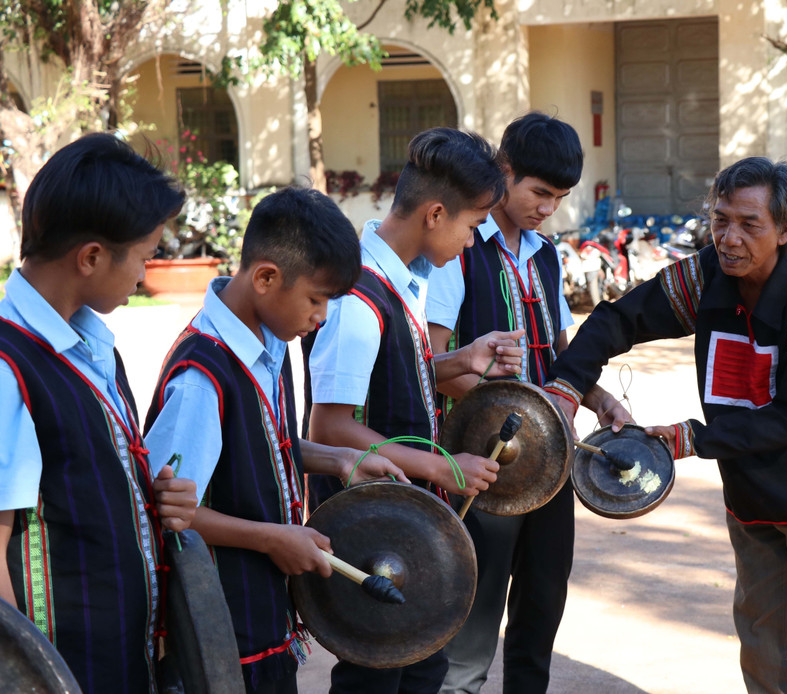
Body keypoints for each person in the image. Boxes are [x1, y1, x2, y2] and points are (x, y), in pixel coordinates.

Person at [544, 157, 787, 694]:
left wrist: (691, 438)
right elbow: (618, 319)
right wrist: (567, 387)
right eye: (720, 219)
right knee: (764, 632)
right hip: (747, 480)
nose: (729, 238)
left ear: (785, 230)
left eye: (750, 225)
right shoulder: (706, 276)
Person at [142, 186, 407, 693]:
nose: (321, 317)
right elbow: (168, 511)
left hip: (264, 615)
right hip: (223, 631)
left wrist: (341, 458)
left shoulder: (269, 339)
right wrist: (272, 538)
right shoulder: (202, 379)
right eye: (316, 299)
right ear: (266, 277)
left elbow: (261, 445)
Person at [306, 127, 525, 694]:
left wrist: (459, 360)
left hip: (404, 522)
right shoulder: (356, 299)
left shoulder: (406, 279)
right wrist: (440, 467)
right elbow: (329, 426)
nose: (474, 243)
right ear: (434, 214)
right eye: (473, 226)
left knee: (422, 666)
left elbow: (392, 380)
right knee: (376, 675)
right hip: (370, 530)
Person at [425, 111, 630, 694]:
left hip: (551, 465)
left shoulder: (545, 253)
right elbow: (433, 367)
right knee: (473, 622)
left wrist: (597, 396)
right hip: (483, 467)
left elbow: (562, 354)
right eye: (539, 193)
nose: (547, 208)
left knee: (542, 607)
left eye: (559, 198)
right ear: (505, 171)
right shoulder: (459, 249)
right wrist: (517, 416)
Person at [0, 133, 198, 693]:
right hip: (65, 670)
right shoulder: (9, 369)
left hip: (123, 658)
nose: (144, 274)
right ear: (90, 257)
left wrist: (150, 498)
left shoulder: (92, 346)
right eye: (144, 256)